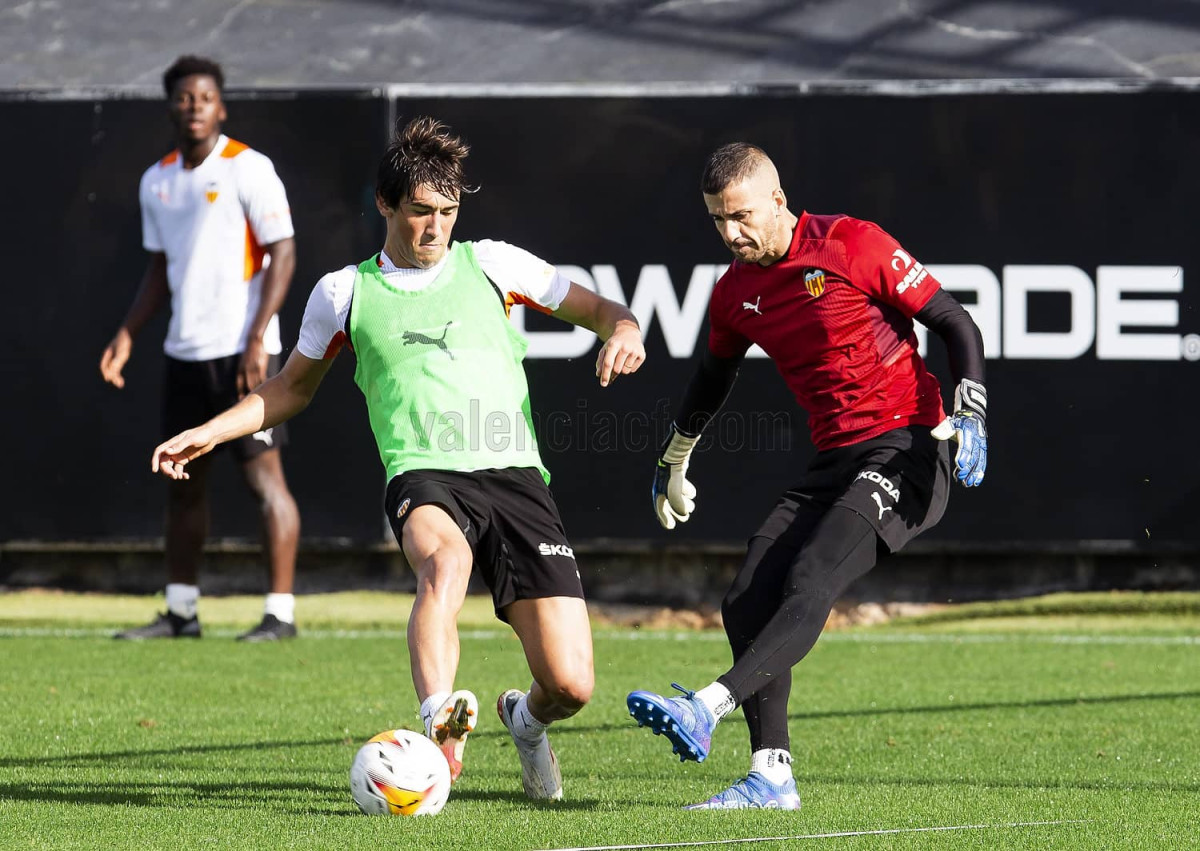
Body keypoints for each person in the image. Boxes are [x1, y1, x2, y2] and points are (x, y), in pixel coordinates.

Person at [148, 116, 646, 801]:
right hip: (423, 473)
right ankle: (439, 718)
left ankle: (524, 722)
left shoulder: (494, 264)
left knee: (571, 684)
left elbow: (602, 310)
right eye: (420, 211)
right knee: (445, 562)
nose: (436, 227)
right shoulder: (344, 293)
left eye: (448, 211)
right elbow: (290, 387)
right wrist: (211, 430)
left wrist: (625, 329)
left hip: (516, 477)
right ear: (385, 204)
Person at [626, 143, 987, 809]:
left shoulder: (852, 243)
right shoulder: (734, 292)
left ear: (778, 200)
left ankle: (706, 706)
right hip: (835, 459)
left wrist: (972, 410)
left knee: (812, 574)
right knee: (745, 598)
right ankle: (772, 776)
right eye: (717, 220)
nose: (730, 232)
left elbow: (954, 321)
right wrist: (676, 453)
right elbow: (713, 375)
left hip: (910, 446)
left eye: (740, 215)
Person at [100, 56, 302, 642]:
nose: (195, 107)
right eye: (185, 98)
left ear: (221, 107)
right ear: (172, 107)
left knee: (265, 483)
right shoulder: (156, 181)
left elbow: (283, 252)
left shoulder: (248, 168)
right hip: (184, 354)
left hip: (243, 355)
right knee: (182, 484)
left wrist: (257, 338)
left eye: (205, 97)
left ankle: (280, 614)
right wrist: (127, 332)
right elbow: (160, 269)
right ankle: (181, 612)